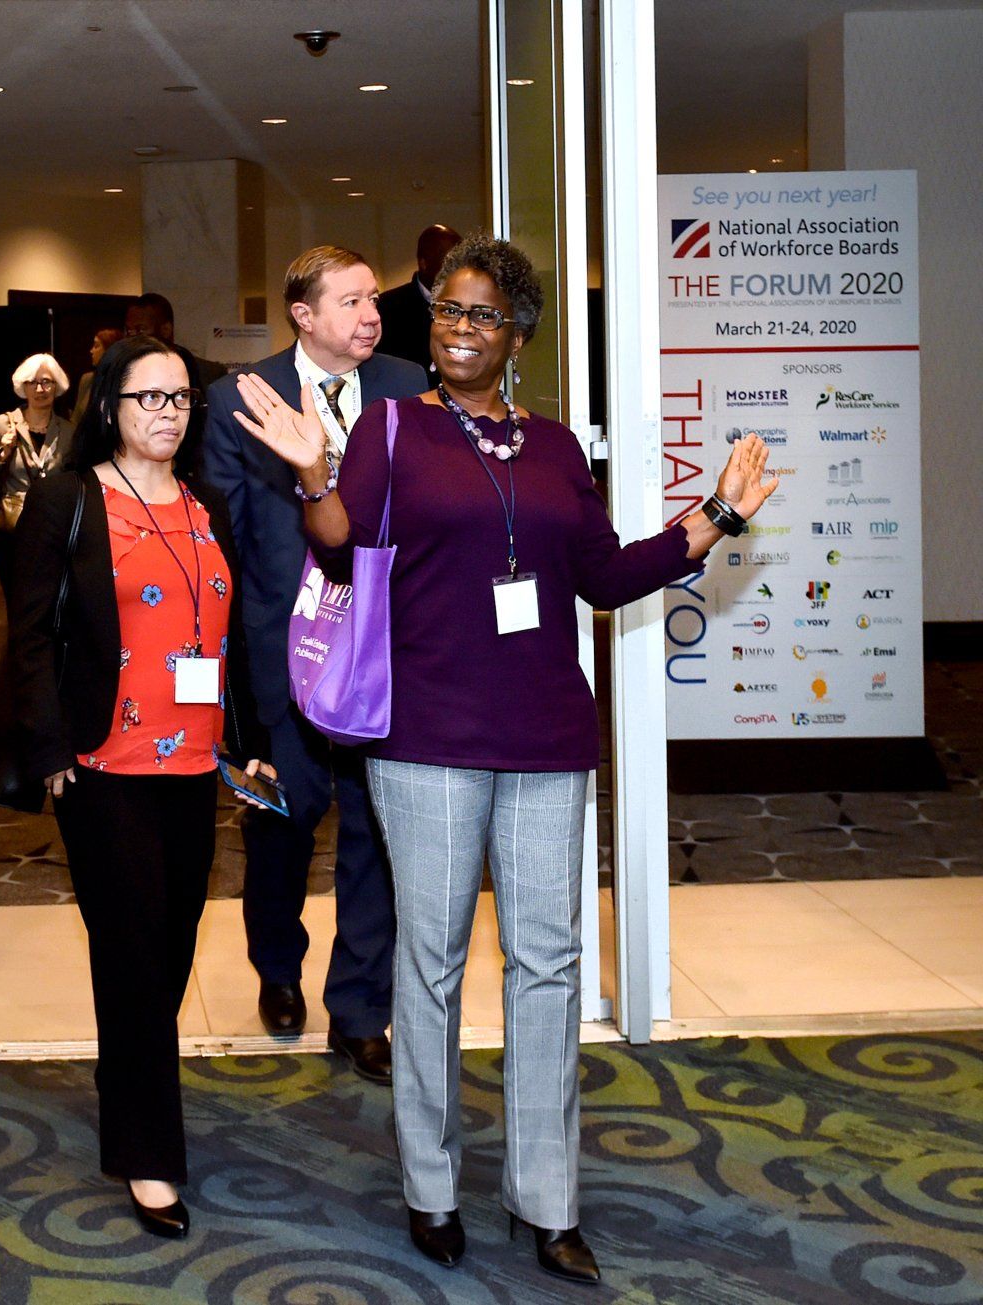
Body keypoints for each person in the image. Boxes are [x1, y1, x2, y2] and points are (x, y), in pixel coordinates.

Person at [234, 235, 777, 1284]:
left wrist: (712, 519)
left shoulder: (559, 447)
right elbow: (342, 545)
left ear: (519, 334)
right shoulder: (391, 428)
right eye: (445, 312)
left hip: (545, 737)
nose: (458, 329)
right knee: (428, 967)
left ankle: (548, 1198)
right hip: (426, 737)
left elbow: (608, 578)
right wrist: (313, 474)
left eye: (481, 315)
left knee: (549, 966)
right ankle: (430, 1186)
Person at [2, 333, 271, 1241]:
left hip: (193, 766)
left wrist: (248, 742)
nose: (167, 411)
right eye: (149, 396)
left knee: (173, 943)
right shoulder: (68, 499)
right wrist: (49, 747)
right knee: (131, 952)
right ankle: (149, 1151)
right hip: (102, 764)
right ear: (110, 406)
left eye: (181, 398)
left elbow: (230, 638)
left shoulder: (208, 505)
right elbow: (33, 633)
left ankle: (128, 1078)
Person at [200, 246, 427, 1078]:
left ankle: (361, 1006)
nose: (372, 314)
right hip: (280, 659)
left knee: (375, 834)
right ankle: (277, 968)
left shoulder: (411, 387)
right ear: (303, 314)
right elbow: (231, 547)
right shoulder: (237, 399)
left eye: (375, 299)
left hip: (386, 655)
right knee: (283, 827)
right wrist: (240, 686)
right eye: (352, 300)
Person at [0, 351, 76, 594]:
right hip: (11, 529)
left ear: (56, 386)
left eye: (46, 381)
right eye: (33, 382)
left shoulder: (68, 432)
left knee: (48, 598)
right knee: (16, 598)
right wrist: (1, 455)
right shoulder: (3, 424)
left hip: (53, 529)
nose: (40, 389)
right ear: (22, 387)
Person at [124, 293, 225, 469]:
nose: (132, 337)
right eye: (128, 331)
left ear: (165, 330)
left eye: (140, 330)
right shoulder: (118, 373)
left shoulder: (208, 374)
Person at [374, 224, 461, 370]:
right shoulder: (386, 308)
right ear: (424, 263)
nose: (458, 272)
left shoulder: (468, 308)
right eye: (450, 264)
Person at [66, 326, 121, 427]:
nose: (91, 351)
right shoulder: (87, 380)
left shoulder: (123, 381)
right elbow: (76, 420)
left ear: (109, 350)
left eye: (96, 346)